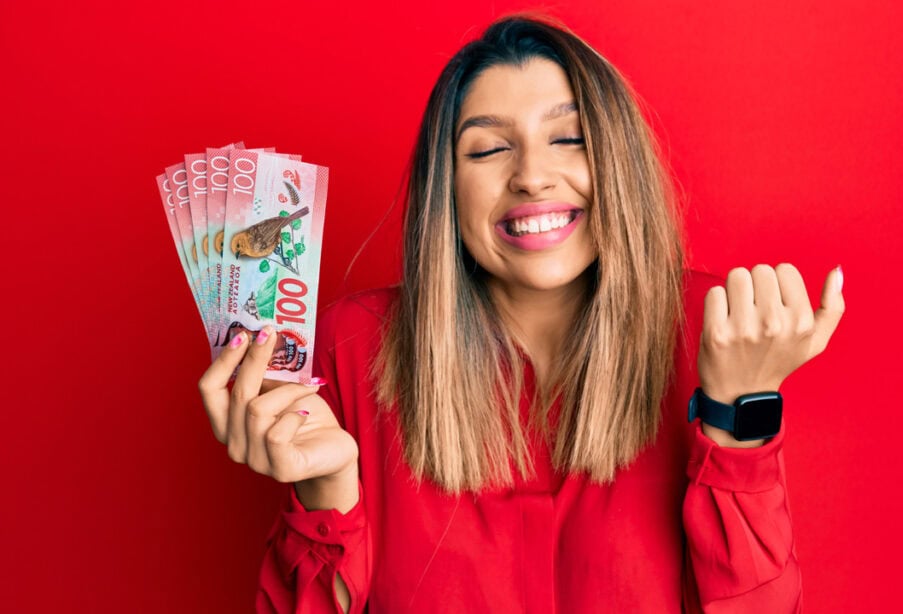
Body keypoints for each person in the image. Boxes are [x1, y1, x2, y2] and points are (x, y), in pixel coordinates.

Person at [198, 15, 844, 613]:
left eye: (569, 138)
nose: (533, 175)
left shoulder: (715, 325)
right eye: (486, 150)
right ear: (445, 188)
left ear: (618, 160)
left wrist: (741, 408)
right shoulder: (349, 346)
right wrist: (329, 490)